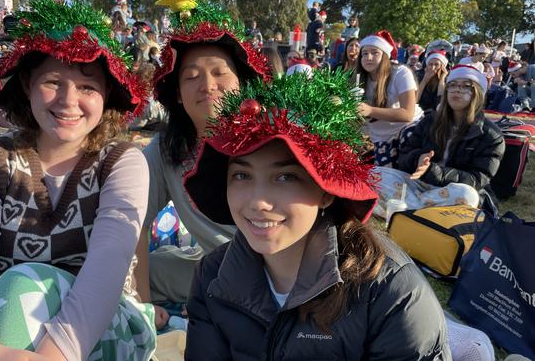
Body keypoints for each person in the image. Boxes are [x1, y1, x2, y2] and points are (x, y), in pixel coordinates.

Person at [0, 0, 156, 360]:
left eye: (87, 87)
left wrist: (52, 355)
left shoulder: (122, 163)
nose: (69, 101)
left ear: (106, 95)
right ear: (27, 84)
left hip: (106, 325)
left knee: (23, 285)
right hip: (2, 319)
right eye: (54, 81)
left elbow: (106, 274)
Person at [182, 72, 451, 360]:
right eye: (241, 175)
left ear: (327, 191)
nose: (258, 201)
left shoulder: (390, 293)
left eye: (285, 177)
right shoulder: (212, 278)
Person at [136, 0, 271, 330]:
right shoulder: (167, 148)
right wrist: (140, 305)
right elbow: (133, 220)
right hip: (218, 267)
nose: (207, 85)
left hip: (282, 271)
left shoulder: (271, 136)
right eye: (192, 75)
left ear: (241, 82)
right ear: (179, 94)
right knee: (150, 267)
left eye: (219, 73)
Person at [376, 65, 505, 212]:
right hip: (420, 184)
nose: (457, 90)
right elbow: (405, 155)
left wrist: (433, 171)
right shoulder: (430, 121)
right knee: (376, 174)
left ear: (478, 94)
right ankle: (421, 211)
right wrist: (418, 159)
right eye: (453, 85)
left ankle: (405, 210)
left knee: (468, 196)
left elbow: (477, 179)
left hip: (452, 191)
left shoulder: (491, 135)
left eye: (466, 87)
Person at [357, 30, 423, 167]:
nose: (368, 57)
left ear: (385, 56)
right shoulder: (359, 79)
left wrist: (370, 110)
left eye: (374, 52)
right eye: (364, 53)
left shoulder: (400, 72)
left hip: (408, 130)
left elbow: (408, 114)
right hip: (380, 139)